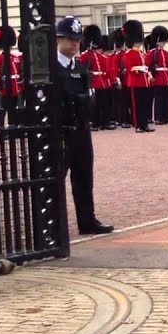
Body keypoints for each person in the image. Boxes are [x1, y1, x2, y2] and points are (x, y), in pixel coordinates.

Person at [55, 16, 113, 235]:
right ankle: (55, 226)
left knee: (83, 177)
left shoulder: (80, 68)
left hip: (81, 129)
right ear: (59, 39)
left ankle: (87, 220)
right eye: (70, 39)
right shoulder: (51, 69)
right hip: (61, 131)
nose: (75, 43)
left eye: (77, 39)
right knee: (57, 178)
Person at [120, 20, 153, 133]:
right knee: (136, 106)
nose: (139, 42)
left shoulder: (142, 53)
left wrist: (148, 74)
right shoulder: (129, 54)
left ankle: (144, 125)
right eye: (137, 40)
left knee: (144, 105)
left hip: (144, 82)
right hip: (135, 82)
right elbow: (130, 68)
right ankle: (138, 126)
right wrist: (140, 69)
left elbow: (146, 66)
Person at [0, 26, 21, 126]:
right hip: (4, 90)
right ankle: (1, 129)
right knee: (2, 111)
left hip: (15, 89)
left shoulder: (15, 58)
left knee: (14, 111)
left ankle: (13, 128)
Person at [150, 26, 168, 125]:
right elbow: (148, 66)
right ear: (157, 41)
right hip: (158, 78)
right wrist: (151, 77)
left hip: (165, 78)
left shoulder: (166, 53)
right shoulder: (152, 53)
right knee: (159, 99)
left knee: (166, 99)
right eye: (161, 41)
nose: (163, 43)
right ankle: (158, 118)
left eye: (164, 41)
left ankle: (166, 116)